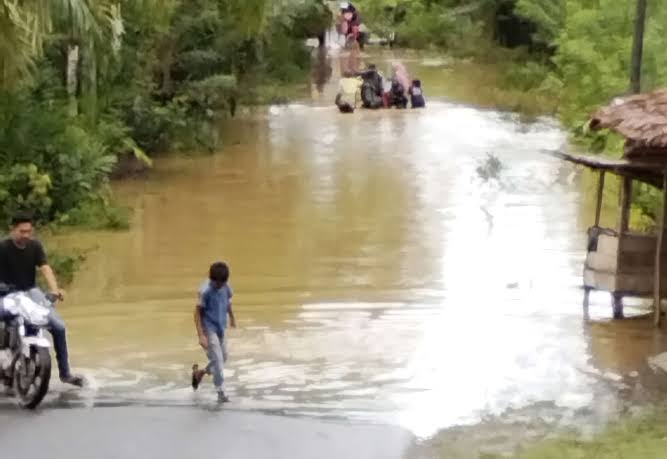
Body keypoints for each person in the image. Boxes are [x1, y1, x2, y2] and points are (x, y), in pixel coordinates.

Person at [0, 213, 84, 387]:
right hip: (5, 293)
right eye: (22, 232)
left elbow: (45, 268)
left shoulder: (35, 246)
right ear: (13, 230)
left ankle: (65, 374)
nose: (26, 236)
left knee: (58, 326)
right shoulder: (2, 247)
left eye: (29, 232)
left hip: (30, 292)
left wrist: (54, 289)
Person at [191, 261, 236, 403]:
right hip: (209, 329)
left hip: (221, 327)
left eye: (223, 283)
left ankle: (200, 373)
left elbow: (228, 302)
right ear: (212, 280)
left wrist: (232, 318)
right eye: (218, 284)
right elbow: (197, 313)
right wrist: (201, 335)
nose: (220, 286)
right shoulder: (206, 292)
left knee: (223, 358)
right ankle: (220, 393)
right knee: (219, 362)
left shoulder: (226, 287)